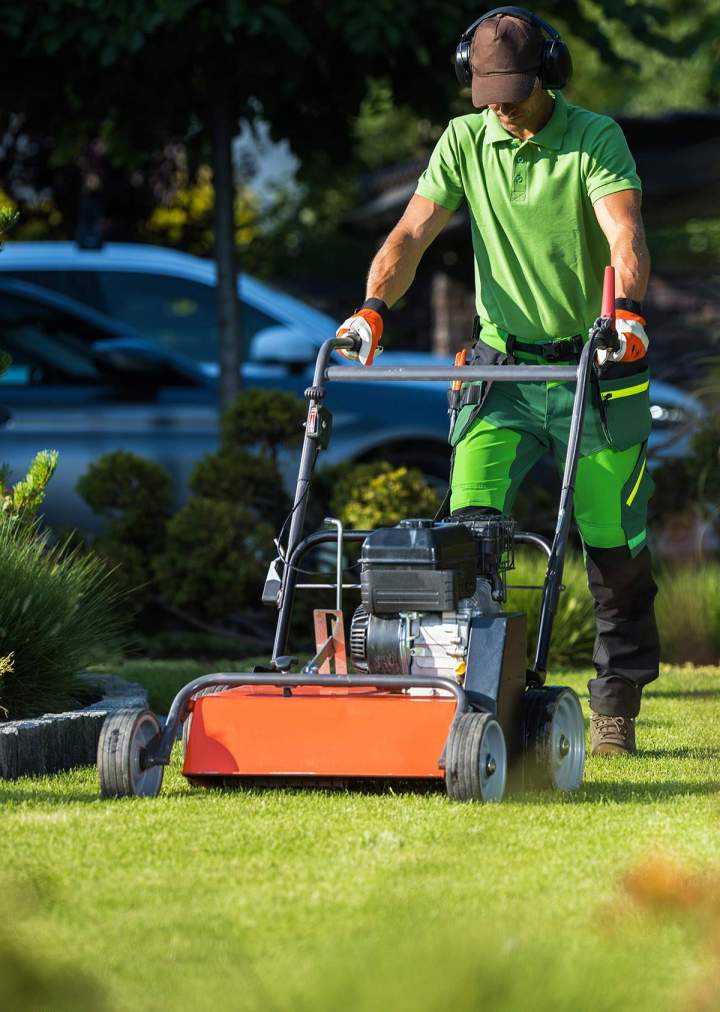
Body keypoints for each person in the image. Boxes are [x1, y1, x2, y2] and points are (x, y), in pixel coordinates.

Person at [336, 6, 660, 756]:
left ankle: (614, 709)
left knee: (613, 545)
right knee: (466, 535)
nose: (504, 107)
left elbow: (624, 230)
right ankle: (470, 693)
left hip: (596, 362)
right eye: (489, 93)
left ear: (549, 72)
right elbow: (411, 233)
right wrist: (373, 308)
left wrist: (631, 312)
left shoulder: (593, 138)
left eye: (515, 90)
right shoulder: (464, 139)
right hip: (501, 367)